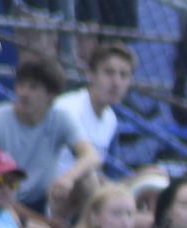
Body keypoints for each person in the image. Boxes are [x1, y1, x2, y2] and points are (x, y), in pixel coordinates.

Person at [0, 57, 93, 221]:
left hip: (44, 198)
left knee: (88, 178)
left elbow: (91, 156)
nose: (24, 93)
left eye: (33, 87)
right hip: (3, 197)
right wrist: (46, 224)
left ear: (51, 94)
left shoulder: (60, 117)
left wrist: (68, 178)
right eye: (21, 85)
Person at [48, 42, 129, 212]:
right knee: (88, 177)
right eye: (108, 73)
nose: (116, 82)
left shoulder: (110, 118)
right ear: (91, 74)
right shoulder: (67, 107)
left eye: (123, 75)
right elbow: (91, 159)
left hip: (83, 195)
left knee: (155, 175)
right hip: (54, 191)